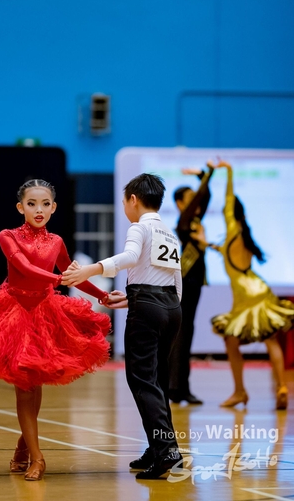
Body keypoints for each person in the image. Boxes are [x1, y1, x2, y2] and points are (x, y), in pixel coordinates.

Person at [0, 179, 120, 481]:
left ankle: (22, 448)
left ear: (54, 207)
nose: (38, 209)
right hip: (14, 315)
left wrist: (103, 296)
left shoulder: (57, 241)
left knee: (34, 386)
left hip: (45, 314)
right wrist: (58, 280)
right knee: (25, 389)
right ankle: (38, 458)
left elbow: (73, 274)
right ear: (20, 207)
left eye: (45, 204)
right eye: (31, 204)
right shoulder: (8, 236)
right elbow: (25, 267)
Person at [63, 173, 183, 480]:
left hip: (148, 311)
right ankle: (159, 447)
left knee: (142, 381)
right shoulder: (169, 233)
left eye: (124, 201)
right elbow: (174, 282)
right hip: (172, 309)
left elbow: (130, 257)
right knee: (157, 381)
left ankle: (166, 450)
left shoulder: (139, 227)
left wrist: (90, 270)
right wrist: (133, 299)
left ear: (133, 199)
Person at [194, 161, 294, 410]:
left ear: (231, 213)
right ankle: (281, 387)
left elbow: (229, 199)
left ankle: (240, 391)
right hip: (259, 288)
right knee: (269, 340)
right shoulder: (241, 236)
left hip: (245, 294)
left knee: (231, 340)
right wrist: (206, 244)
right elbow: (226, 254)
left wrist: (228, 171)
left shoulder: (232, 227)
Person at [169, 162, 215, 405]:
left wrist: (205, 175)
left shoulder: (194, 219)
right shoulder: (184, 222)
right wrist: (204, 176)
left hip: (194, 282)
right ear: (180, 203)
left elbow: (204, 198)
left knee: (187, 333)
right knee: (182, 333)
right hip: (186, 281)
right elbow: (201, 199)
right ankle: (176, 388)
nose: (195, 202)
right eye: (189, 199)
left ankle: (180, 387)